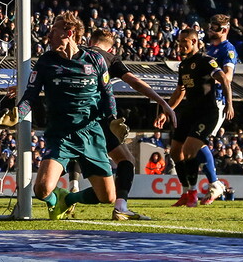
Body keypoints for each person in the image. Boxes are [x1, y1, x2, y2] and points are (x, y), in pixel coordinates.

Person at [5, 11, 118, 219]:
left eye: (52, 31)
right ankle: (55, 200)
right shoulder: (46, 62)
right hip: (60, 135)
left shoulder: (95, 60)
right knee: (42, 190)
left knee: (108, 197)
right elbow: (30, 95)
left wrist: (113, 120)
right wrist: (18, 113)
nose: (48, 36)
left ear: (69, 33)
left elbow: (107, 93)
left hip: (91, 134)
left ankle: (68, 199)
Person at [73, 28, 177, 220]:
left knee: (65, 165)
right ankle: (120, 207)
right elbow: (135, 82)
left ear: (90, 40)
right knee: (125, 162)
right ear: (112, 47)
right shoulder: (110, 59)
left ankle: (69, 189)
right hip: (97, 119)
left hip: (70, 117)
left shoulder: (77, 52)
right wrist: (162, 102)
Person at [155, 28, 229, 207]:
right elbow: (180, 91)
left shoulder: (206, 61)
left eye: (184, 42)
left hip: (206, 112)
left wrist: (230, 104)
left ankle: (194, 193)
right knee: (174, 151)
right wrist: (167, 111)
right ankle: (186, 191)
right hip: (189, 112)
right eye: (179, 42)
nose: (180, 46)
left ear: (194, 42)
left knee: (189, 149)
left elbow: (224, 79)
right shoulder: (183, 65)